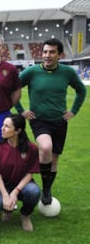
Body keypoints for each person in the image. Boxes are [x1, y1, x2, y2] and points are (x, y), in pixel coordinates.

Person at [15, 38, 87, 205]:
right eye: (45, 52)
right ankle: (40, 185)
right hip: (39, 120)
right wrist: (21, 110)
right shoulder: (31, 72)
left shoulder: (67, 72)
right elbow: (13, 88)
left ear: (60, 55)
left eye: (52, 52)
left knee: (54, 159)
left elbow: (81, 91)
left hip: (60, 121)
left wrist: (73, 111)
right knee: (45, 148)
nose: (47, 55)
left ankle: (46, 189)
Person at [0, 114, 41, 232]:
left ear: (17, 131)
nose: (2, 128)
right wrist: (6, 195)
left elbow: (30, 173)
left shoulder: (31, 148)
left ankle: (25, 215)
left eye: (7, 126)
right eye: (3, 125)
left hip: (23, 186)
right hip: (3, 186)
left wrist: (16, 192)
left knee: (34, 192)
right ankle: (7, 210)